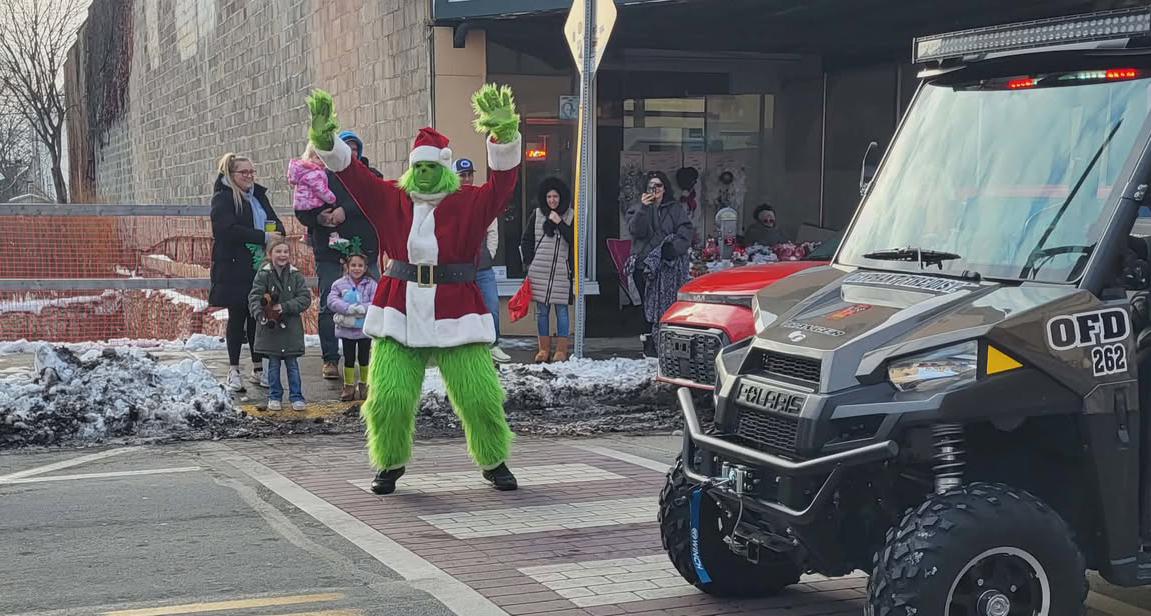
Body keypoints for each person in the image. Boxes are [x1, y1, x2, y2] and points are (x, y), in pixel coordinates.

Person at [305, 84, 522, 495]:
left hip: (457, 308)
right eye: (417, 167)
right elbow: (353, 175)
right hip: (398, 308)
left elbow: (503, 184)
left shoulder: (469, 202)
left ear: (444, 169)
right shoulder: (390, 199)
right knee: (388, 398)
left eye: (429, 167)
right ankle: (389, 462)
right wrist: (326, 140)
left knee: (480, 396)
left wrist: (504, 135)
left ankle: (494, 460)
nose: (422, 174)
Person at [294, 136, 381, 382]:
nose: (350, 154)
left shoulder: (371, 175)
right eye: (346, 149)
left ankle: (373, 356)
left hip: (364, 250)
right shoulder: (319, 174)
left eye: (354, 149)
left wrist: (345, 210)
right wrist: (318, 218)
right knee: (328, 304)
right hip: (329, 252)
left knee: (374, 302)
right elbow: (302, 207)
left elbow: (373, 198)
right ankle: (330, 359)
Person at [209, 153, 284, 392]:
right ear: (231, 175)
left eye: (252, 171)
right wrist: (262, 236)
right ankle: (233, 370)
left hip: (260, 266)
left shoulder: (258, 195)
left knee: (258, 315)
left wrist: (276, 234)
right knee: (237, 316)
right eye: (244, 172)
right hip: (234, 266)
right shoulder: (223, 198)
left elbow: (275, 221)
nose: (250, 176)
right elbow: (226, 230)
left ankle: (258, 368)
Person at [625, 171, 693, 357]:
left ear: (665, 188)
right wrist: (643, 209)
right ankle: (648, 344)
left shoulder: (676, 209)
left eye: (658, 186)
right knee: (646, 307)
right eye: (651, 186)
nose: (655, 189)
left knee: (667, 306)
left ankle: (666, 343)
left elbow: (686, 232)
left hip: (667, 266)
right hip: (644, 265)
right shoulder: (636, 208)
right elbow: (635, 231)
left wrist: (673, 249)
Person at [456, 157, 511, 364]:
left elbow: (492, 230)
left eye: (469, 175)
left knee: (491, 307)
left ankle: (493, 345)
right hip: (458, 269)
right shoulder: (449, 200)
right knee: (462, 311)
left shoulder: (480, 198)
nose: (466, 179)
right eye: (462, 175)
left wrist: (488, 253)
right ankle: (463, 350)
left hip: (483, 267)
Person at [248, 235, 312, 411]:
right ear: (270, 254)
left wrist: (285, 307)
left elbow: (305, 298)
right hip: (270, 330)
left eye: (285, 251)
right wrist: (260, 314)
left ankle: (296, 397)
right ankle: (274, 396)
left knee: (292, 365)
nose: (282, 255)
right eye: (278, 251)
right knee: (273, 365)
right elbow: (254, 297)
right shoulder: (263, 275)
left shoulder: (295, 275)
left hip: (291, 329)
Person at [520, 177, 574, 363]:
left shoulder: (570, 215)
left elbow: (575, 241)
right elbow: (526, 239)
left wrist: (560, 223)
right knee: (542, 312)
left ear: (561, 197)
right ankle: (543, 349)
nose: (552, 200)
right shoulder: (537, 214)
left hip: (561, 272)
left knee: (562, 312)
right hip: (539, 272)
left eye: (555, 196)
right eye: (549, 197)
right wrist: (528, 263)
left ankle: (561, 350)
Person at [327, 244, 378, 402]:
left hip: (364, 329)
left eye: (360, 265)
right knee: (348, 358)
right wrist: (347, 308)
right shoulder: (339, 284)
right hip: (346, 329)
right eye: (353, 265)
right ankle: (348, 386)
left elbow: (376, 301)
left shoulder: (371, 284)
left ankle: (364, 385)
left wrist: (362, 308)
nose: (357, 268)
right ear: (347, 267)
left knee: (364, 357)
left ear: (365, 267)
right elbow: (332, 300)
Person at [288, 144, 344, 248]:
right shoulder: (316, 173)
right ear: (310, 158)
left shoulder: (306, 171)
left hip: (304, 204)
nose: (322, 161)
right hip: (311, 203)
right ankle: (334, 236)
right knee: (329, 212)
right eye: (318, 158)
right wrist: (332, 199)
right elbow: (321, 190)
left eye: (324, 158)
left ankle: (307, 235)